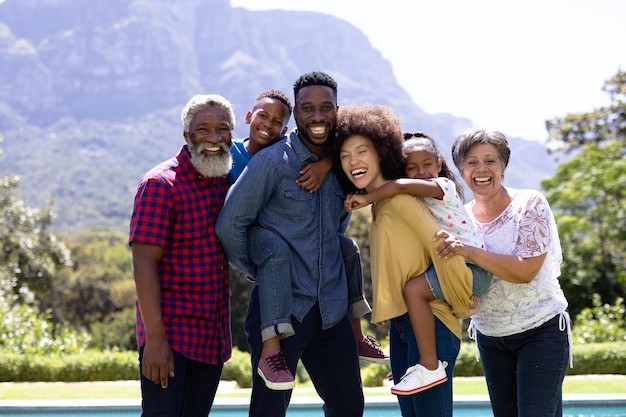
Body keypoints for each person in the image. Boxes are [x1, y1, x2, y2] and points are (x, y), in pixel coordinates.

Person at [216, 71, 365, 417]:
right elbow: (230, 225)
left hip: (332, 308)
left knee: (349, 407)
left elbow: (340, 224)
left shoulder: (342, 164)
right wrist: (260, 269)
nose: (317, 116)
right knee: (270, 410)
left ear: (336, 111)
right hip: (281, 310)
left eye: (325, 107)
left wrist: (328, 163)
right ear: (295, 113)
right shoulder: (271, 162)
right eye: (308, 108)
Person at [334, 103, 474, 417]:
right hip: (403, 326)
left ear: (382, 152)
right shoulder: (381, 204)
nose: (354, 161)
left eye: (362, 151)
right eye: (344, 155)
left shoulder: (400, 200)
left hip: (433, 324)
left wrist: (464, 297)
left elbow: (447, 248)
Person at [435, 127, 571, 417]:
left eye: (490, 160)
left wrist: (470, 252)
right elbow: (465, 279)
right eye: (471, 161)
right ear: (460, 168)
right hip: (490, 336)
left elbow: (525, 271)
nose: (481, 169)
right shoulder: (462, 219)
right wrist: (464, 302)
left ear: (503, 166)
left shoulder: (530, 204)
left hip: (541, 330)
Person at [129, 94, 235, 417]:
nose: (214, 137)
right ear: (186, 135)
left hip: (211, 339)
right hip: (171, 338)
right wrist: (155, 340)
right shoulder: (160, 184)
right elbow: (143, 264)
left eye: (222, 129)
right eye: (203, 129)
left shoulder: (222, 180)